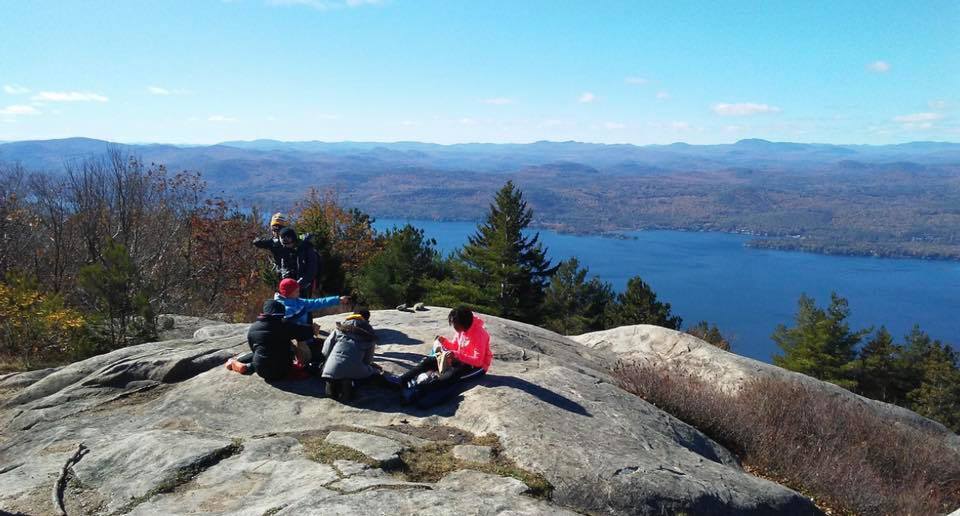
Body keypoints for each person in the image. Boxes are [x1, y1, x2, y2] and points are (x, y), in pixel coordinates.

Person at [398, 305, 492, 403]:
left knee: (451, 376)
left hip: (476, 368)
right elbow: (455, 347)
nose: (454, 326)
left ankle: (418, 393)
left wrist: (456, 355)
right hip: (461, 359)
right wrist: (444, 342)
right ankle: (402, 380)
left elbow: (478, 361)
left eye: (455, 324)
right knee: (429, 361)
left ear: (464, 323)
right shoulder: (462, 330)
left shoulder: (480, 334)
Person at [275, 278, 349, 366]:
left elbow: (317, 302)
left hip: (307, 338)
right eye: (296, 291)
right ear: (288, 293)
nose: (299, 293)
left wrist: (338, 300)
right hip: (298, 344)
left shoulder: (297, 301)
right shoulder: (281, 309)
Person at [320, 309, 388, 401]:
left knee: (334, 370)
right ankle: (350, 383)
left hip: (331, 368)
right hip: (355, 368)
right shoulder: (369, 335)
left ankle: (332, 382)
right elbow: (367, 361)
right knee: (373, 372)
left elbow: (325, 350)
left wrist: (329, 361)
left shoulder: (338, 329)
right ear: (366, 320)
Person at [253, 215, 319, 298]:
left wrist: (298, 284)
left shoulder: (304, 247)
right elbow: (284, 263)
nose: (276, 231)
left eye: (279, 228)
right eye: (274, 229)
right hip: (288, 282)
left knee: (303, 305)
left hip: (303, 284)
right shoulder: (276, 243)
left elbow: (311, 270)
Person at [244, 299, 298, 381]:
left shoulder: (253, 327)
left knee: (260, 350)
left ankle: (238, 362)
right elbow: (304, 334)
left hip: (261, 370)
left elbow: (253, 348)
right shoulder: (286, 325)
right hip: (285, 369)